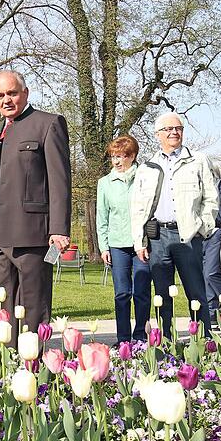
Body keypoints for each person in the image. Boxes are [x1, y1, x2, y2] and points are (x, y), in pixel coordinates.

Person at [0, 70, 72, 331]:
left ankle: (34, 362)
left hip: (33, 235)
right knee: (5, 309)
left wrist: (59, 229)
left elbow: (60, 181)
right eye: (0, 95)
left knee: (34, 305)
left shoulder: (48, 123)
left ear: (25, 93)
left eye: (12, 93)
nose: (6, 100)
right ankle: (10, 363)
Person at [130, 112, 218, 337]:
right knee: (161, 294)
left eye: (178, 128)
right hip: (158, 236)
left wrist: (203, 227)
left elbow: (211, 197)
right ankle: (166, 341)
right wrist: (139, 241)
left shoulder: (197, 160)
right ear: (158, 134)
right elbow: (138, 206)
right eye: (168, 129)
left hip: (187, 235)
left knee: (195, 291)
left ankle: (203, 339)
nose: (174, 132)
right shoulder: (148, 166)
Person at [96, 135, 150, 343]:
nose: (117, 161)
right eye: (113, 157)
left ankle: (140, 337)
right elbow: (102, 217)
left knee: (142, 293)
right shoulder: (105, 183)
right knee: (122, 293)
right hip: (117, 245)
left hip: (141, 245)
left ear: (132, 156)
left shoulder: (144, 178)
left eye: (121, 156)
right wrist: (104, 246)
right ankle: (123, 339)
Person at [202, 176, 221, 324]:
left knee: (211, 272)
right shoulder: (199, 186)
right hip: (200, 233)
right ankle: (212, 310)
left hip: (216, 232)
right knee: (203, 274)